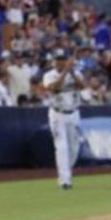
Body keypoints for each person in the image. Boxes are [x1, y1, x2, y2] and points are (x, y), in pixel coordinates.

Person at [42, 51, 82, 190]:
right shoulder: (48, 75)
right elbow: (54, 87)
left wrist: (72, 72)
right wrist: (65, 72)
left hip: (74, 113)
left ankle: (66, 172)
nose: (61, 61)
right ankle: (64, 180)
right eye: (58, 59)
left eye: (63, 59)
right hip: (57, 114)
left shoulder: (75, 73)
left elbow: (82, 85)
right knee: (62, 147)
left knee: (73, 148)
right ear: (54, 61)